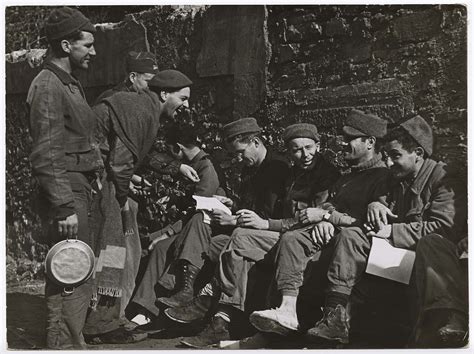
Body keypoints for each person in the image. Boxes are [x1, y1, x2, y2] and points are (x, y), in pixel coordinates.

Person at [169, 123, 341, 348]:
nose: (304, 155)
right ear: (289, 152)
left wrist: (265, 223)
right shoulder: (293, 174)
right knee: (223, 244)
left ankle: (213, 307)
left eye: (308, 148)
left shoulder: (326, 175)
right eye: (296, 150)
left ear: (318, 146)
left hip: (303, 241)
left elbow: (311, 218)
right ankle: (219, 319)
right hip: (286, 234)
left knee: (239, 238)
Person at [306, 115, 460, 345]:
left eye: (395, 156)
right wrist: (375, 203)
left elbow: (444, 228)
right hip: (399, 253)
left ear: (418, 153)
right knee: (352, 235)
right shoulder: (396, 177)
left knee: (431, 242)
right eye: (386, 156)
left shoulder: (442, 178)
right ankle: (335, 317)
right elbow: (379, 204)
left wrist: (391, 231)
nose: (388, 163)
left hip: (430, 258)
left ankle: (447, 318)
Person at [134, 117, 289, 332]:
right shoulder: (250, 169)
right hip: (242, 230)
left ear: (256, 142)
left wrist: (232, 219)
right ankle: (184, 292)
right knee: (200, 232)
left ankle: (187, 296)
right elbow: (249, 206)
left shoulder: (276, 169)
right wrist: (232, 204)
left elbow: (264, 216)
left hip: (264, 235)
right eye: (235, 154)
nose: (238, 158)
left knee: (201, 233)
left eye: (240, 152)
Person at [248, 109, 390, 340]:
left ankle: (331, 321)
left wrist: (328, 219)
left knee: (294, 248)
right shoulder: (348, 176)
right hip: (332, 236)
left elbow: (369, 224)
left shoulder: (382, 177)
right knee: (291, 239)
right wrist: (327, 216)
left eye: (349, 140)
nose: (343, 145)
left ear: (370, 142)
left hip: (356, 246)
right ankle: (287, 310)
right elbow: (330, 205)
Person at [82, 69, 195, 344]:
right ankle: (98, 323)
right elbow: (120, 162)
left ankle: (102, 319)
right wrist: (121, 197)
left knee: (110, 248)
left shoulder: (143, 108)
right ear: (164, 94)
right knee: (109, 247)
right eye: (183, 98)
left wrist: (174, 167)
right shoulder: (141, 110)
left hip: (99, 178)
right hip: (91, 181)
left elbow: (130, 156)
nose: (187, 106)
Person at [27, 7, 102, 349]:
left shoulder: (69, 84)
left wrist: (96, 171)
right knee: (70, 268)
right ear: (65, 45)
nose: (94, 51)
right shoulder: (48, 85)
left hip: (78, 185)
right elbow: (47, 152)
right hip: (66, 190)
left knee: (77, 267)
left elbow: (80, 138)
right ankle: (64, 345)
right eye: (87, 44)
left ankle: (72, 340)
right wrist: (64, 206)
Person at [128, 123, 225, 326]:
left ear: (179, 148)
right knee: (158, 246)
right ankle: (144, 308)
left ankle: (151, 307)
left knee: (163, 245)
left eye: (173, 151)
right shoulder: (195, 166)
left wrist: (167, 232)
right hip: (189, 226)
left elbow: (200, 211)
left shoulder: (206, 169)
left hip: (203, 229)